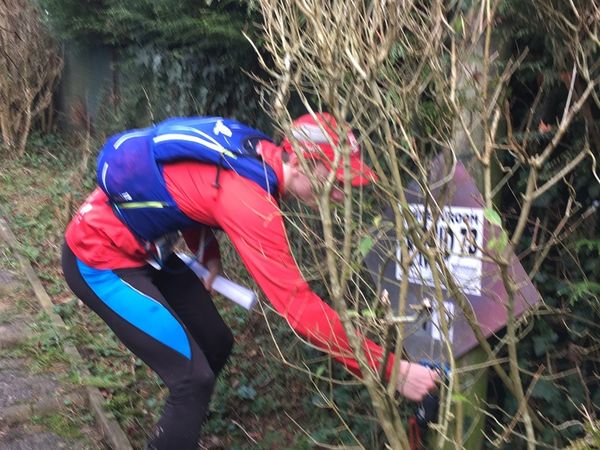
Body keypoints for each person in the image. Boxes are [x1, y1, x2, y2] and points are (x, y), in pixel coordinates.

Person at [61, 112, 438, 449]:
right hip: (100, 259)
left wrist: (207, 253)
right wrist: (393, 370)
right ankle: (181, 411)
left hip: (152, 250)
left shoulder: (255, 150)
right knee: (193, 381)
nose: (340, 195)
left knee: (215, 341)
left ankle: (181, 420)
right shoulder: (253, 203)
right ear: (304, 162)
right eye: (335, 181)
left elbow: (190, 184)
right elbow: (300, 311)